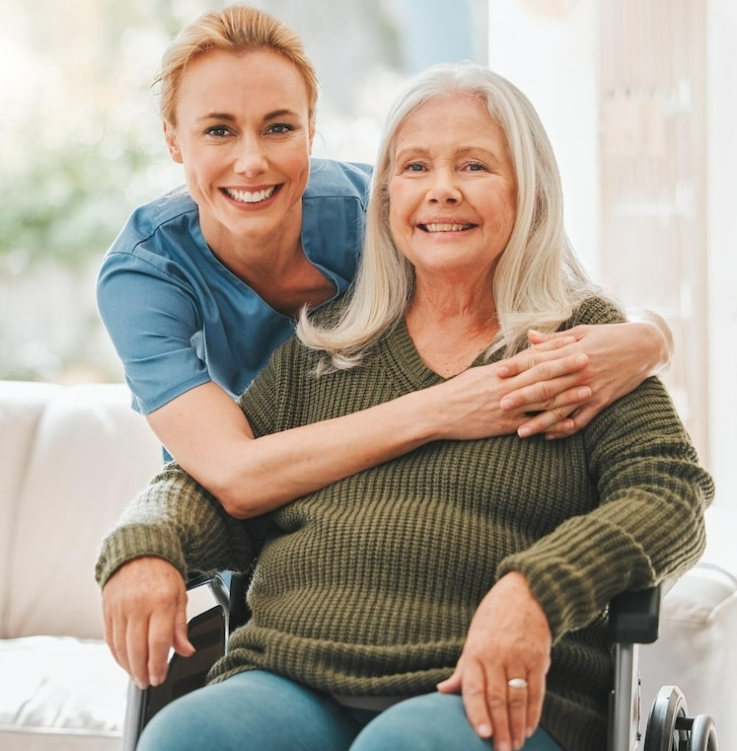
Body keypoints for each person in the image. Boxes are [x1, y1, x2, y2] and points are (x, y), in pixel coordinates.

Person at [97, 61, 714, 751]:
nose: (441, 190)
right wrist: (145, 545)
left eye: (474, 165)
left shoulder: (576, 346)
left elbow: (671, 494)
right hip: (290, 673)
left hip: (476, 687)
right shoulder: (326, 345)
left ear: (529, 190)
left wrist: (536, 590)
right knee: (186, 735)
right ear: (387, 196)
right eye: (416, 167)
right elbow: (210, 481)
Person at [95, 5, 673, 519]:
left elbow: (550, 278)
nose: (251, 161)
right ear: (173, 140)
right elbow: (235, 475)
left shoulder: (388, 210)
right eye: (218, 130)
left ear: (311, 130)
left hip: (385, 499)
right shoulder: (145, 275)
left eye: (279, 127)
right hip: (248, 526)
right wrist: (448, 406)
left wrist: (651, 337)